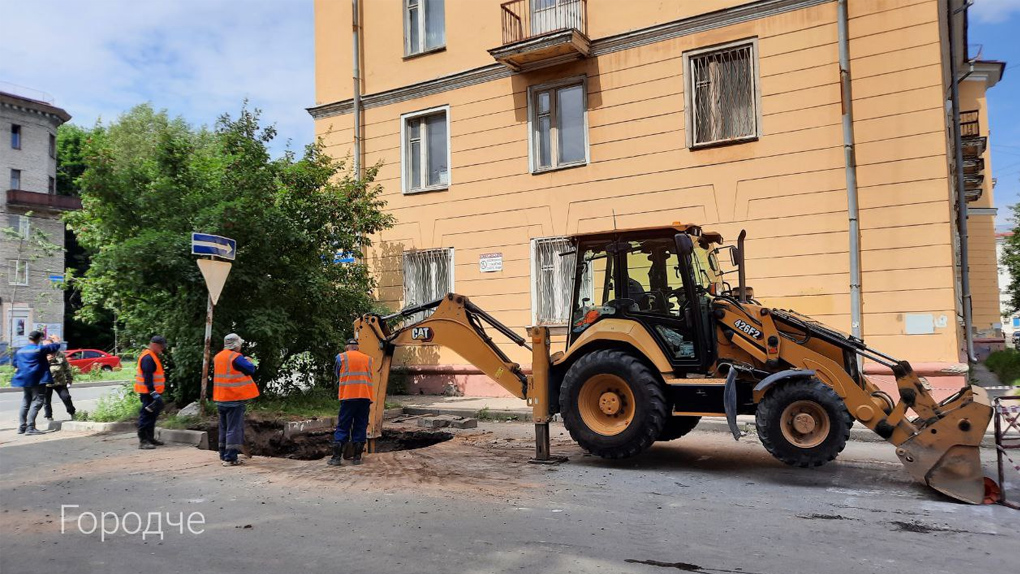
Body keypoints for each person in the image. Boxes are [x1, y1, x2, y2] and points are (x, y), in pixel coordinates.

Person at [212, 333, 259, 467]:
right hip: (234, 398)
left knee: (224, 428)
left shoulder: (218, 357)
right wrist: (249, 361)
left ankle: (223, 454)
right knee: (234, 429)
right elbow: (251, 369)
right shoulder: (236, 358)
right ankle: (231, 458)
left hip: (220, 398)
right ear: (236, 344)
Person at [327, 338, 374, 467]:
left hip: (348, 397)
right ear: (357, 348)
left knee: (343, 425)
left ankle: (336, 458)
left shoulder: (341, 358)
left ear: (346, 347)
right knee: (360, 425)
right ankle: (357, 457)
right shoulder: (368, 359)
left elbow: (338, 375)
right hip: (365, 397)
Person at [13, 332, 62, 435]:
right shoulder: (39, 349)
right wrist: (56, 339)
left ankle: (22, 427)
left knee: (26, 401)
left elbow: (15, 363)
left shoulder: (20, 351)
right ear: (39, 339)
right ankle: (30, 427)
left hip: (24, 379)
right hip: (38, 378)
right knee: (38, 401)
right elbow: (55, 346)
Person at [135, 336, 167, 450]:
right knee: (146, 415)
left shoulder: (152, 356)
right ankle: (143, 441)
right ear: (154, 345)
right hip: (148, 393)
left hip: (152, 392)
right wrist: (153, 393)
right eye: (161, 346)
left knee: (152, 416)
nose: (162, 349)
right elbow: (147, 377)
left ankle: (150, 438)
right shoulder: (148, 358)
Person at [44, 347, 76, 420]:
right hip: (46, 382)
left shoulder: (60, 354)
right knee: (46, 400)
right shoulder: (42, 354)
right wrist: (46, 361)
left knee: (66, 397)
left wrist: (69, 378)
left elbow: (66, 367)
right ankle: (49, 416)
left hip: (60, 382)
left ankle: (72, 412)